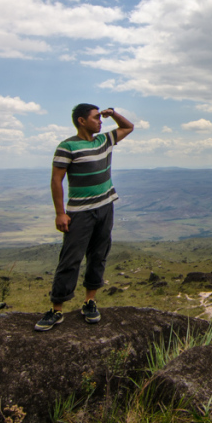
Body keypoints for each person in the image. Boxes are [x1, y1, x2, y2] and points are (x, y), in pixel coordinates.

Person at [34, 103, 135, 331]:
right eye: (96, 117)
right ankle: (56, 310)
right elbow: (55, 180)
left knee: (98, 255)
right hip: (79, 212)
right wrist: (60, 213)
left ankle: (90, 301)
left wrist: (113, 114)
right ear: (82, 120)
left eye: (101, 117)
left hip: (105, 207)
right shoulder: (67, 146)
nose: (100, 121)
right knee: (70, 259)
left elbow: (129, 127)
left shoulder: (104, 140)